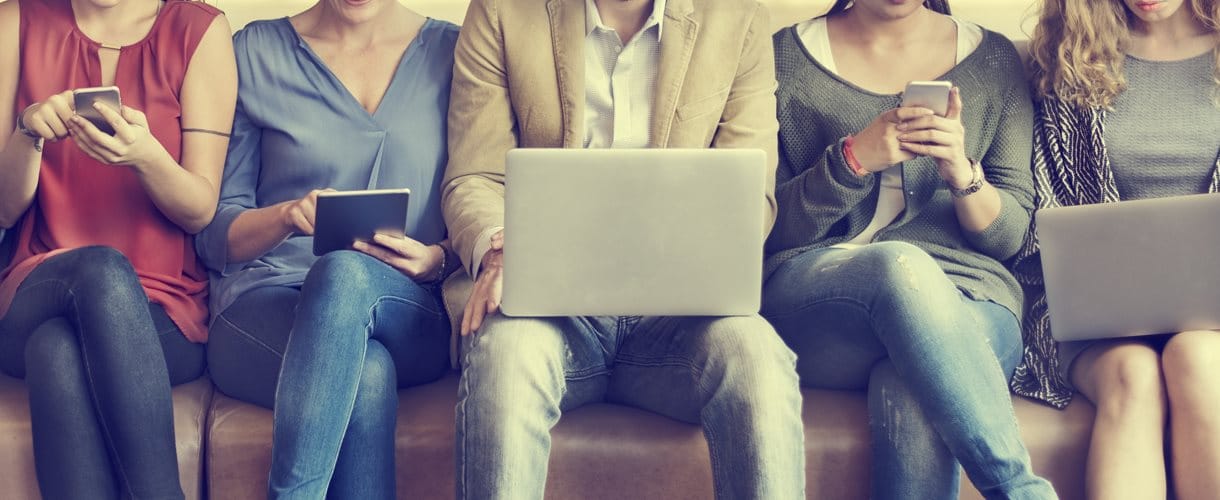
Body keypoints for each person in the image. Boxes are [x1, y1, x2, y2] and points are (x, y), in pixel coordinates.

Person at [442, 0, 805, 497]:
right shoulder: (501, 12)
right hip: (549, 310)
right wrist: (500, 251)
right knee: (505, 359)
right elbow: (474, 177)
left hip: (679, 317)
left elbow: (751, 197)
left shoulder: (737, 16)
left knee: (758, 358)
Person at [762, 0, 1057, 498]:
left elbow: (1008, 239)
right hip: (823, 297)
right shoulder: (785, 58)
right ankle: (1020, 490)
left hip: (970, 297)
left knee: (915, 382)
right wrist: (854, 160)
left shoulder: (994, 60)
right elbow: (770, 227)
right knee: (900, 264)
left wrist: (961, 173)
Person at [194, 0, 460, 497]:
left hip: (408, 310)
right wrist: (285, 215)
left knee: (343, 273)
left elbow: (483, 196)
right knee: (367, 374)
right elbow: (214, 236)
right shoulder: (255, 52)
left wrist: (439, 257)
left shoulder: (456, 51)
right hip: (265, 308)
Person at [0, 0, 236, 498]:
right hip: (37, 283)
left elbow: (199, 210)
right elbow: (3, 211)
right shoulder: (15, 21)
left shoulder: (199, 31)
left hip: (163, 311)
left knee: (56, 350)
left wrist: (147, 158)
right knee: (102, 270)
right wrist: (28, 132)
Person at [1011, 0, 1220, 498]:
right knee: (1134, 375)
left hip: (1213, 319)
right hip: (1098, 318)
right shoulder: (1071, 59)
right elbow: (1046, 208)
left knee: (1196, 356)